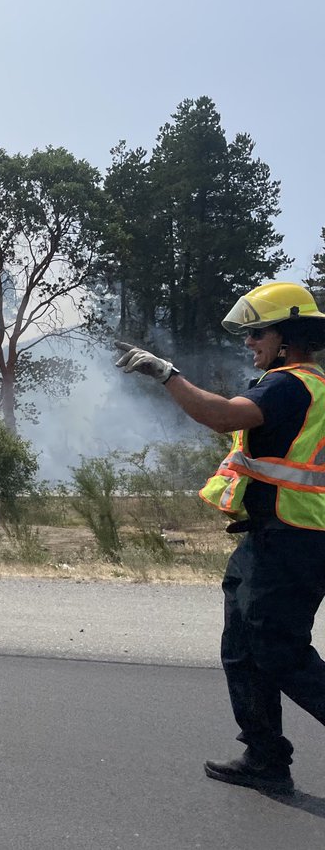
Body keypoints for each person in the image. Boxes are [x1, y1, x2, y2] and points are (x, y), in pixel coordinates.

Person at [115, 281, 325, 796]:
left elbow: (221, 416)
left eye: (258, 333)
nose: (250, 343)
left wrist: (166, 374)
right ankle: (265, 757)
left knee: (279, 651)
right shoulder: (307, 386)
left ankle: (266, 756)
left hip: (293, 542)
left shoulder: (289, 384)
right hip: (270, 541)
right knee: (242, 649)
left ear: (288, 335)